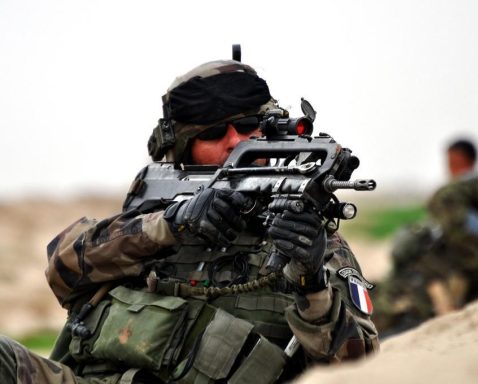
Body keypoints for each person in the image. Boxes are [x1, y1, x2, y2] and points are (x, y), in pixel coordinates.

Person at [0, 58, 379, 383]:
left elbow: (362, 369)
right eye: (214, 132)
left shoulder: (315, 244)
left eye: (248, 126)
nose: (235, 143)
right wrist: (172, 226)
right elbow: (62, 270)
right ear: (182, 145)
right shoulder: (150, 223)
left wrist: (311, 285)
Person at [371, 138, 478, 337]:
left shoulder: (453, 192)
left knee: (391, 304)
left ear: (458, 159)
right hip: (453, 276)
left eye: (450, 161)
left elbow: (460, 238)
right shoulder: (469, 190)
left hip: (440, 276)